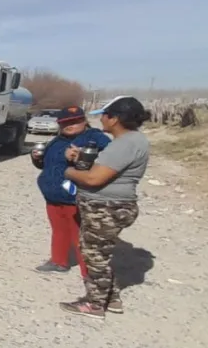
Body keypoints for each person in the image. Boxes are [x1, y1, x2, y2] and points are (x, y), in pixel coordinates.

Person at [61, 96, 152, 319]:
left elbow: (94, 179)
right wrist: (82, 159)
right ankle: (111, 298)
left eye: (104, 115)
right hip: (113, 206)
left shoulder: (124, 144)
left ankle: (95, 304)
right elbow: (108, 169)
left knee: (94, 256)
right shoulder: (133, 140)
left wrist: (69, 172)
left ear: (115, 119)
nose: (101, 119)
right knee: (101, 253)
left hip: (106, 208)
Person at [32, 106, 111, 275]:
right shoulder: (57, 140)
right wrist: (37, 158)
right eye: (65, 123)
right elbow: (46, 165)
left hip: (75, 196)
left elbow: (111, 159)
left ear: (84, 121)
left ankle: (89, 274)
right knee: (59, 230)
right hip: (53, 195)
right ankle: (58, 261)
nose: (69, 125)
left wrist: (82, 156)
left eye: (75, 121)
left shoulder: (95, 137)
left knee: (79, 236)